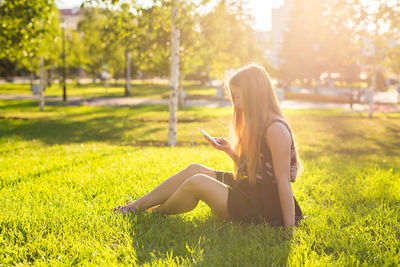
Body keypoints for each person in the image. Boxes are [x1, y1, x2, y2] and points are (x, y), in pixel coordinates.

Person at [114, 64, 304, 228]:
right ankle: (135, 207)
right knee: (195, 169)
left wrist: (289, 229)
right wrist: (229, 150)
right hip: (251, 189)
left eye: (238, 96)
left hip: (263, 206)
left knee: (197, 182)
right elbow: (256, 170)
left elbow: (282, 182)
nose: (236, 103)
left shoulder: (276, 130)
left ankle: (153, 212)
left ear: (253, 93)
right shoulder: (258, 123)